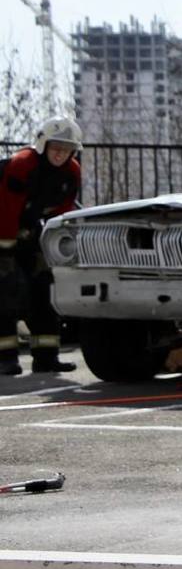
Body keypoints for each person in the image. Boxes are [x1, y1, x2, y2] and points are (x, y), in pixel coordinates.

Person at [0, 118, 83, 376]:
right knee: (5, 292)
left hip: (29, 232)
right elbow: (7, 210)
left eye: (67, 148)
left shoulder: (71, 172)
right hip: (4, 231)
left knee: (44, 289)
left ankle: (46, 358)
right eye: (55, 146)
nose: (60, 153)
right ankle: (5, 359)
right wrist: (6, 251)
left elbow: (62, 213)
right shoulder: (22, 165)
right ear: (43, 144)